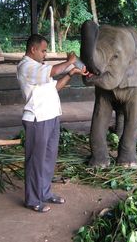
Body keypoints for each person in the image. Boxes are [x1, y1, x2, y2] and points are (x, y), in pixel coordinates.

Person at [17, 34, 89, 213]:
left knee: (49, 158)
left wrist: (71, 73)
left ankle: (45, 192)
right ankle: (33, 199)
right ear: (33, 49)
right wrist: (70, 61)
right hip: (37, 119)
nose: (45, 54)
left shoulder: (39, 68)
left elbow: (55, 86)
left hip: (51, 117)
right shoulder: (26, 66)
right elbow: (53, 71)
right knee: (36, 161)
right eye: (43, 50)